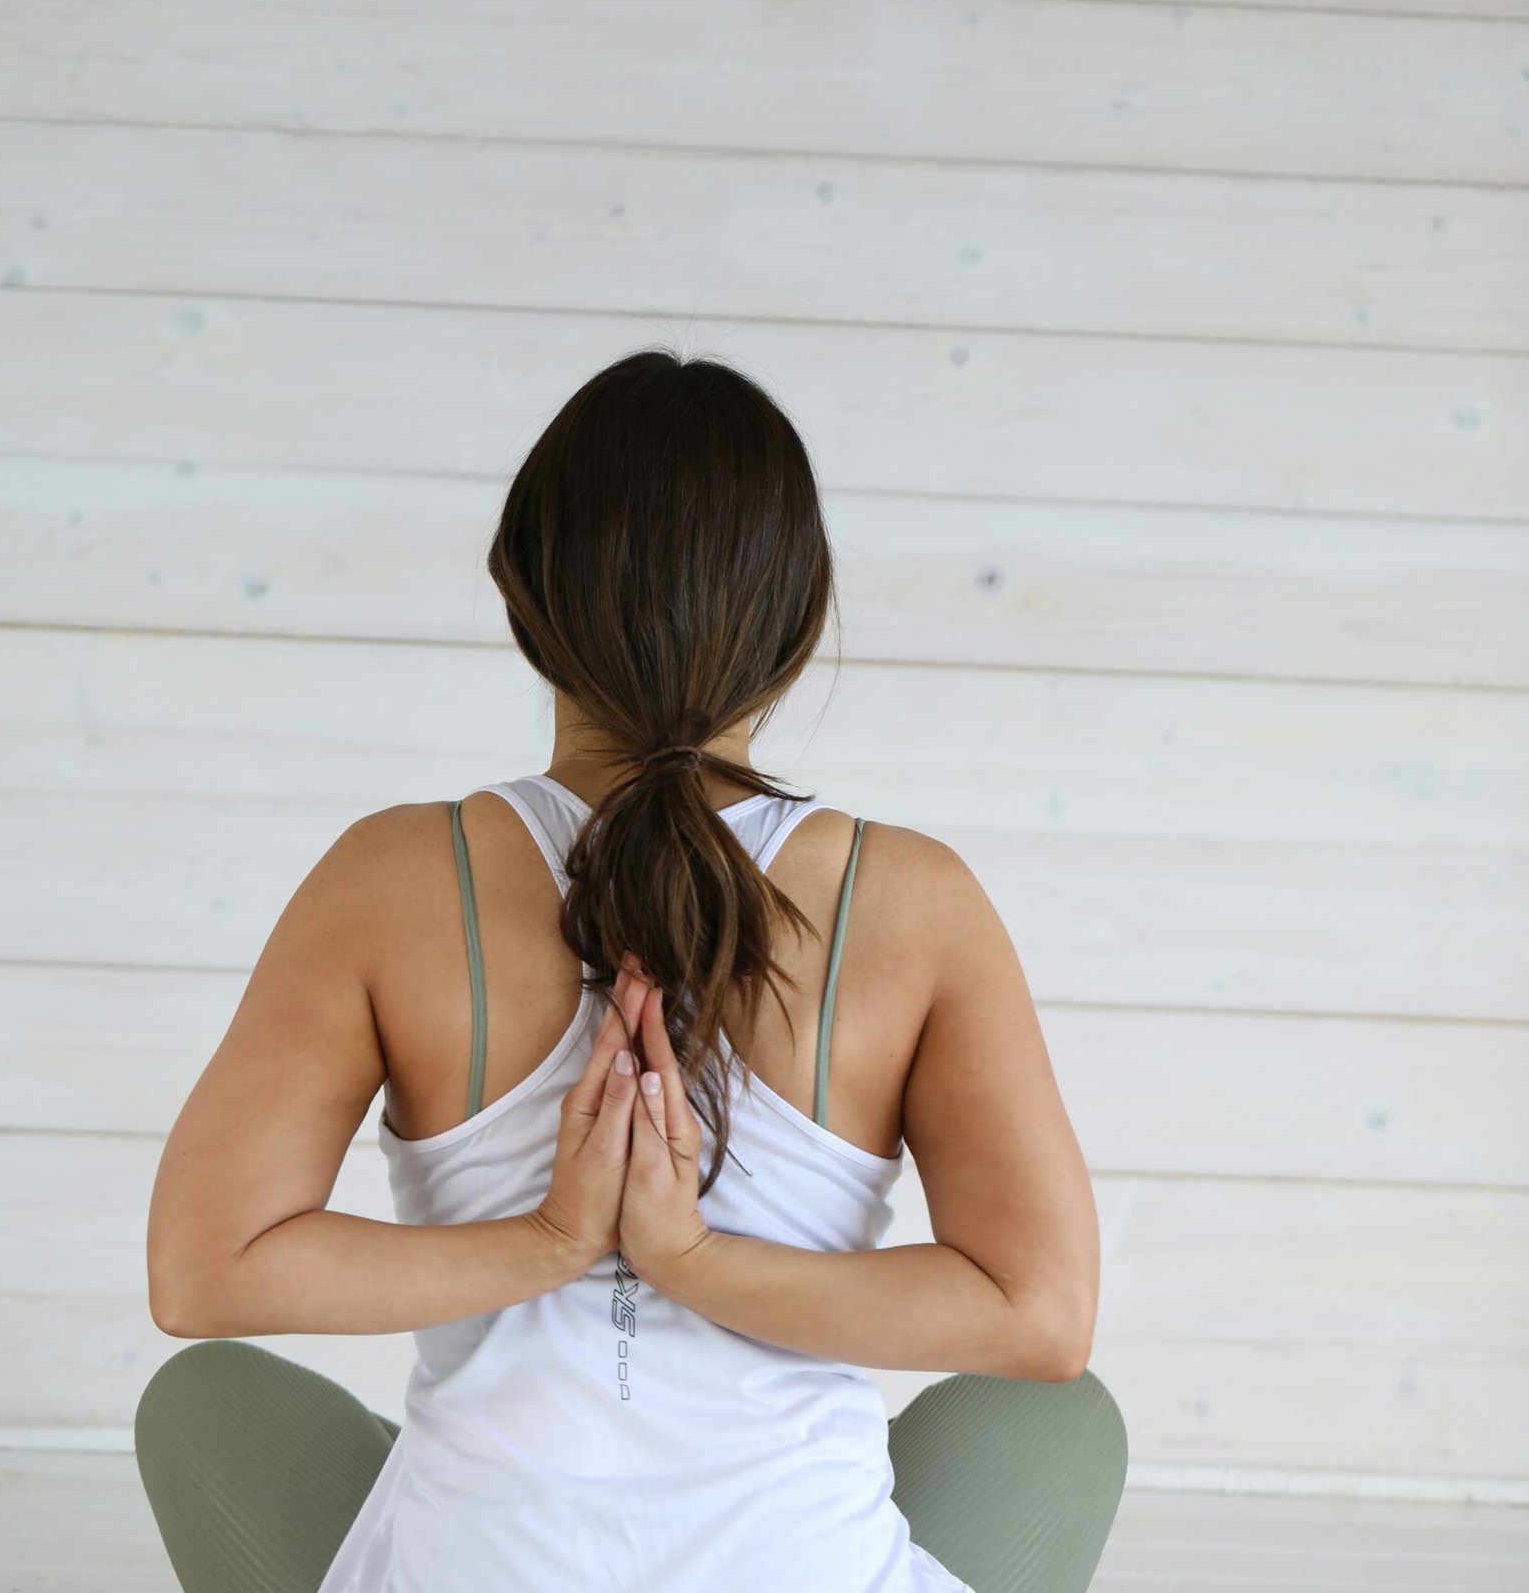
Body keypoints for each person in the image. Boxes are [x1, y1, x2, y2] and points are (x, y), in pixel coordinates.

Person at [136, 347, 1125, 1592]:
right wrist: (693, 1264)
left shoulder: (389, 879)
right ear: (799, 621)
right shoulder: (910, 900)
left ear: (522, 594)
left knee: (206, 1397)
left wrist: (547, 1247)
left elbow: (200, 1274)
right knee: (1055, 1411)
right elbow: (1038, 1319)